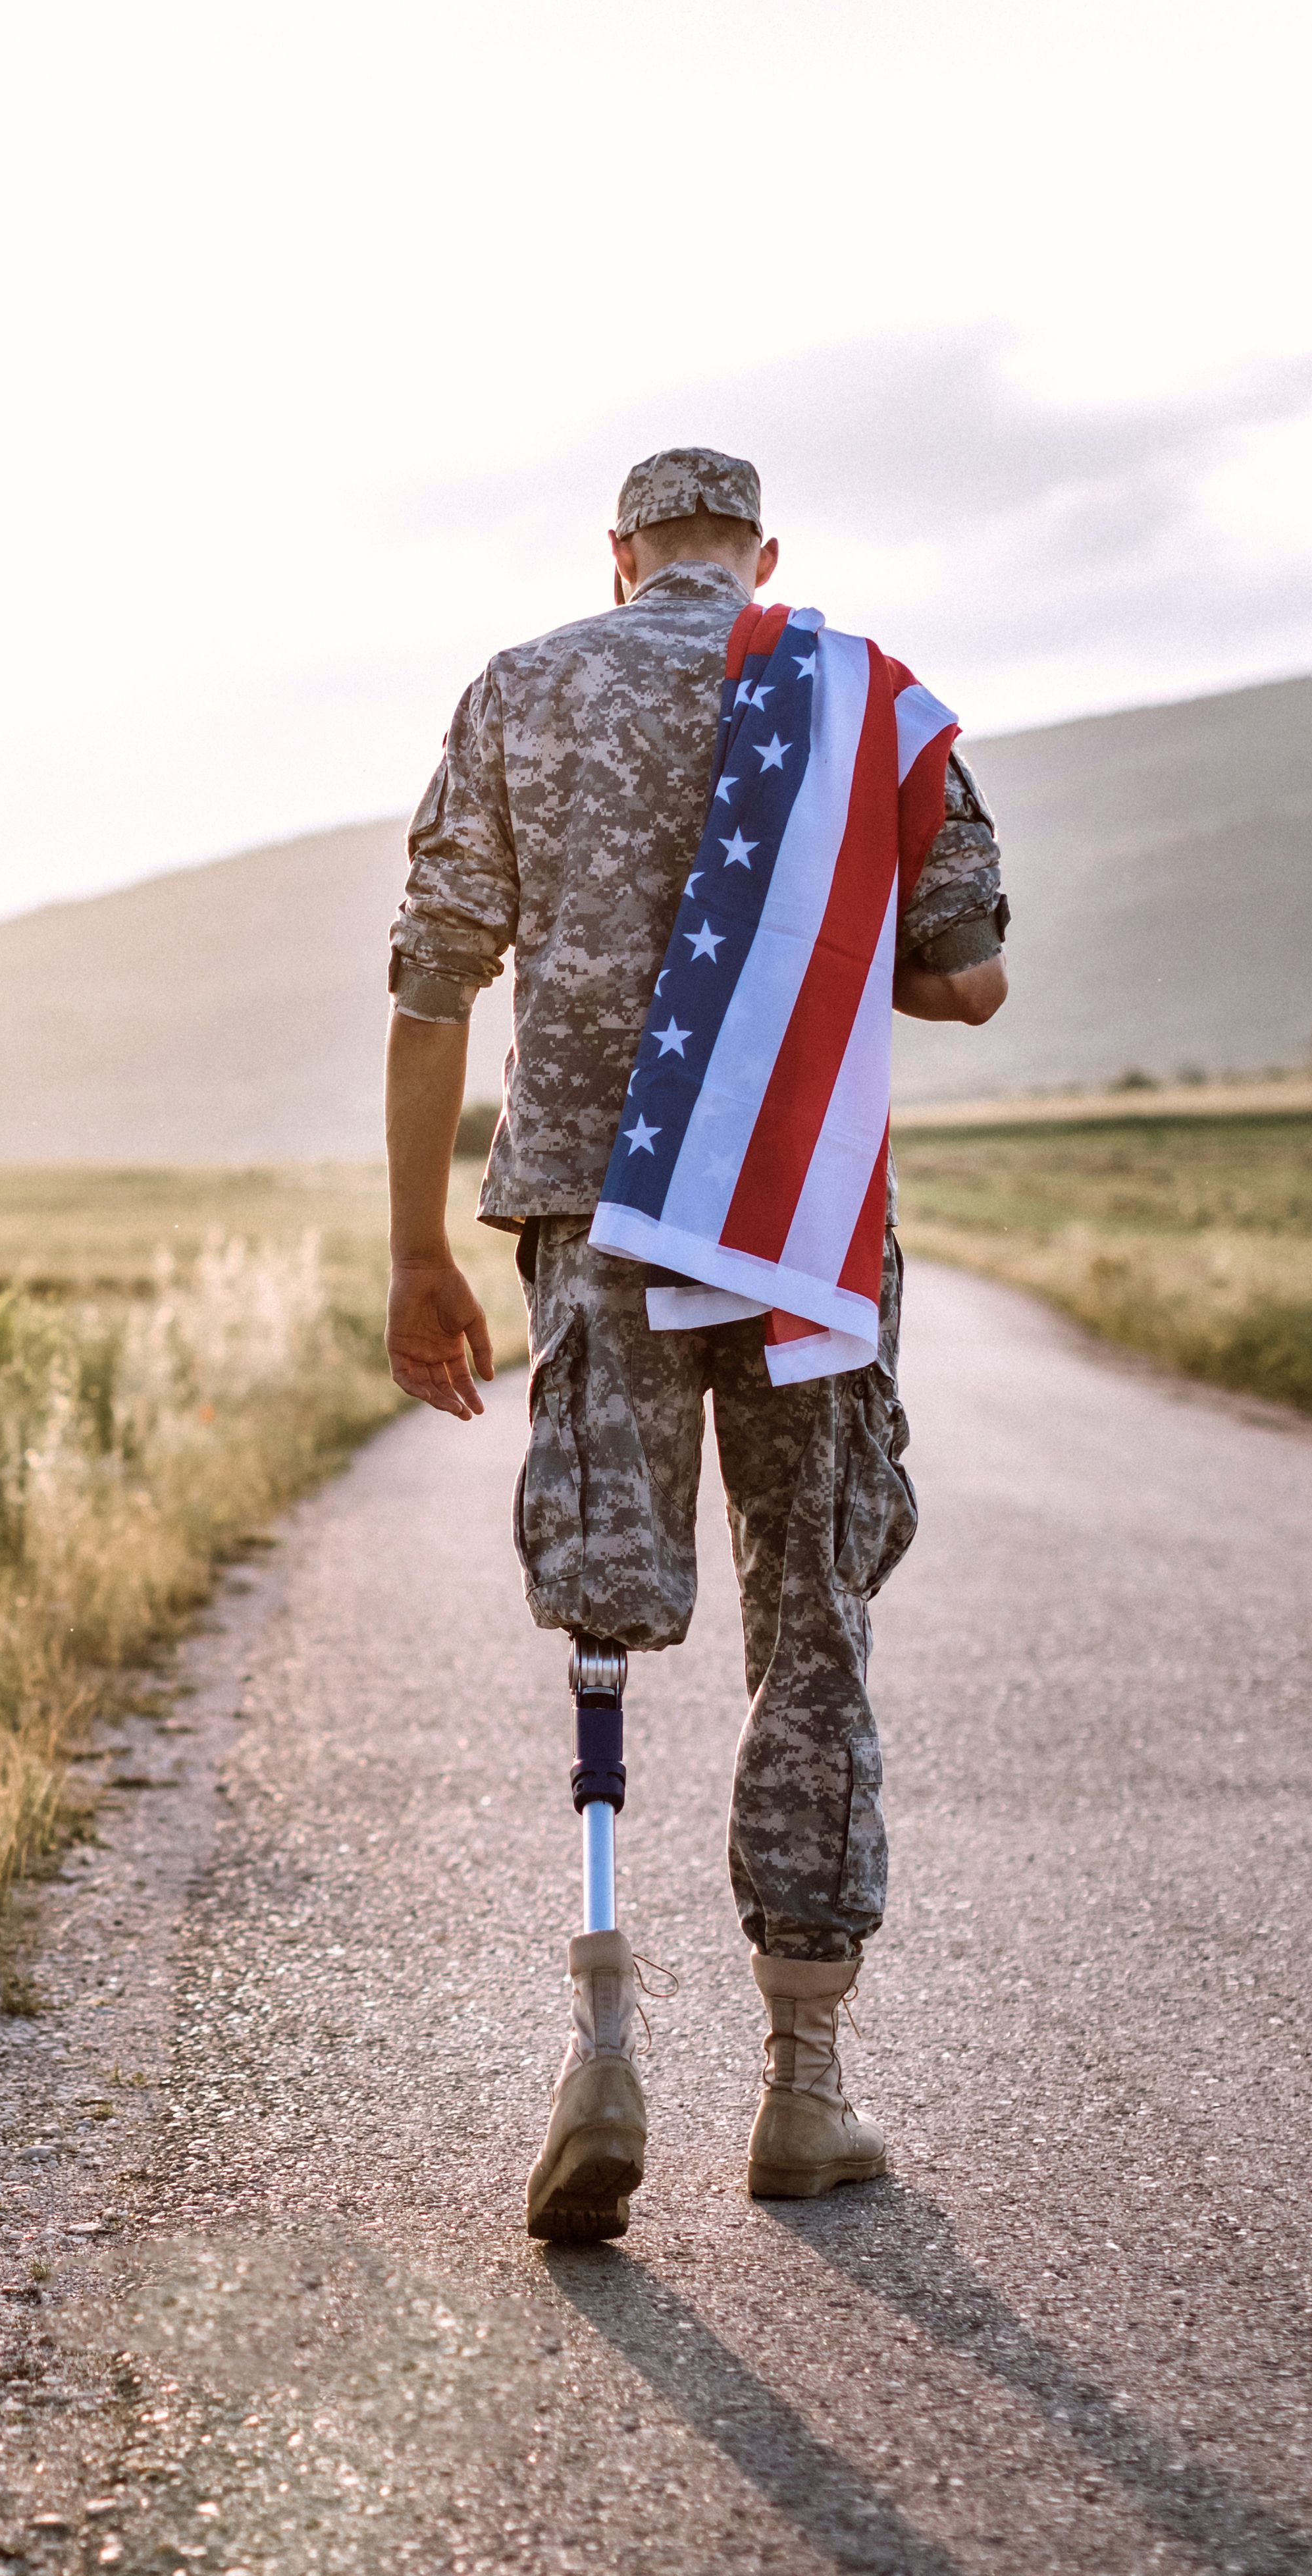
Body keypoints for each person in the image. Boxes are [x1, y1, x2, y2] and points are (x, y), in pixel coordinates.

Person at [375, 445, 1012, 2236]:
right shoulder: (863, 700)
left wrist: (420, 1247)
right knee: (812, 1623)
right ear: (762, 560)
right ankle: (806, 2093)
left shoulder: (522, 686)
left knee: (605, 1605)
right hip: (807, 1230)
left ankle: (602, 2046)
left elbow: (435, 974)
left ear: (626, 555)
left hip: (600, 1216)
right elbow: (967, 976)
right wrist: (804, 931)